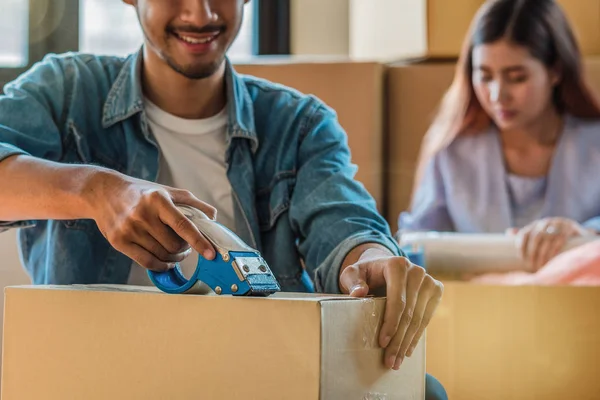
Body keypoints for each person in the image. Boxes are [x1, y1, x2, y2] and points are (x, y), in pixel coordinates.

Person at [0, 0, 446, 397]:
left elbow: (344, 225)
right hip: (95, 373)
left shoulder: (300, 124)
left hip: (253, 374)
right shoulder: (66, 91)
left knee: (423, 390)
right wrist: (97, 191)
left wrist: (370, 260)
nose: (201, 14)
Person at [399, 0, 600, 271]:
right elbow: (414, 247)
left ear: (555, 70)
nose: (497, 96)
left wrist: (587, 235)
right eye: (484, 76)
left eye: (517, 78)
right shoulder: (451, 150)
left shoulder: (594, 144)